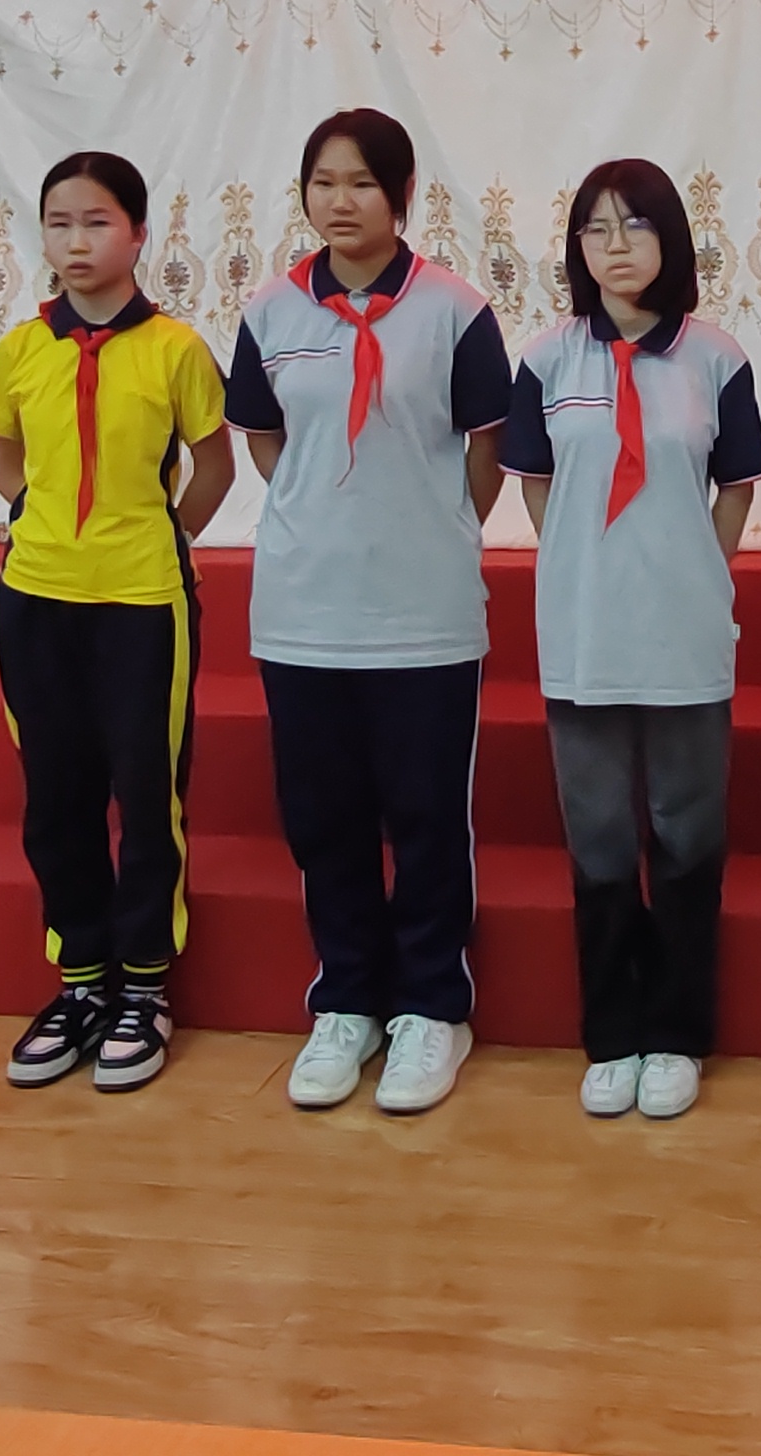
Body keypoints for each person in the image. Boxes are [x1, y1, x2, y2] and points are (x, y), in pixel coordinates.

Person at [227, 108, 512, 1117]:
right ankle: (346, 999)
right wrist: (328, 519)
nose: (340, 202)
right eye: (323, 182)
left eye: (361, 183)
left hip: (423, 613)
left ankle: (433, 1007)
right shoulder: (270, 312)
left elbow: (485, 449)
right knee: (325, 818)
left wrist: (430, 526)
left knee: (427, 817)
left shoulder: (455, 311)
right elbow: (267, 442)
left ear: (402, 195)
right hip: (304, 607)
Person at [500, 161, 761, 1120]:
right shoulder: (546, 361)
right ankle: (613, 1032)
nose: (616, 246)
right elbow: (536, 483)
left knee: (687, 833)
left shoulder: (716, 359)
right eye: (597, 229)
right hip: (584, 624)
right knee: (602, 836)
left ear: (672, 240)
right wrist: (585, 567)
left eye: (637, 226)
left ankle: (679, 1031)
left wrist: (700, 569)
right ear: (577, 248)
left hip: (684, 626)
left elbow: (736, 485)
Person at [0, 152, 239, 1095]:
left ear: (137, 234)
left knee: (146, 790)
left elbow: (214, 464)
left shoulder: (175, 349)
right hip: (34, 596)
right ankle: (80, 979)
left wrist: (164, 537)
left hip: (141, 602)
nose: (76, 242)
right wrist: (32, 517)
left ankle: (145, 986)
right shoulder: (21, 348)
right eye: (59, 223)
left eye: (96, 222)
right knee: (56, 792)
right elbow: (6, 451)